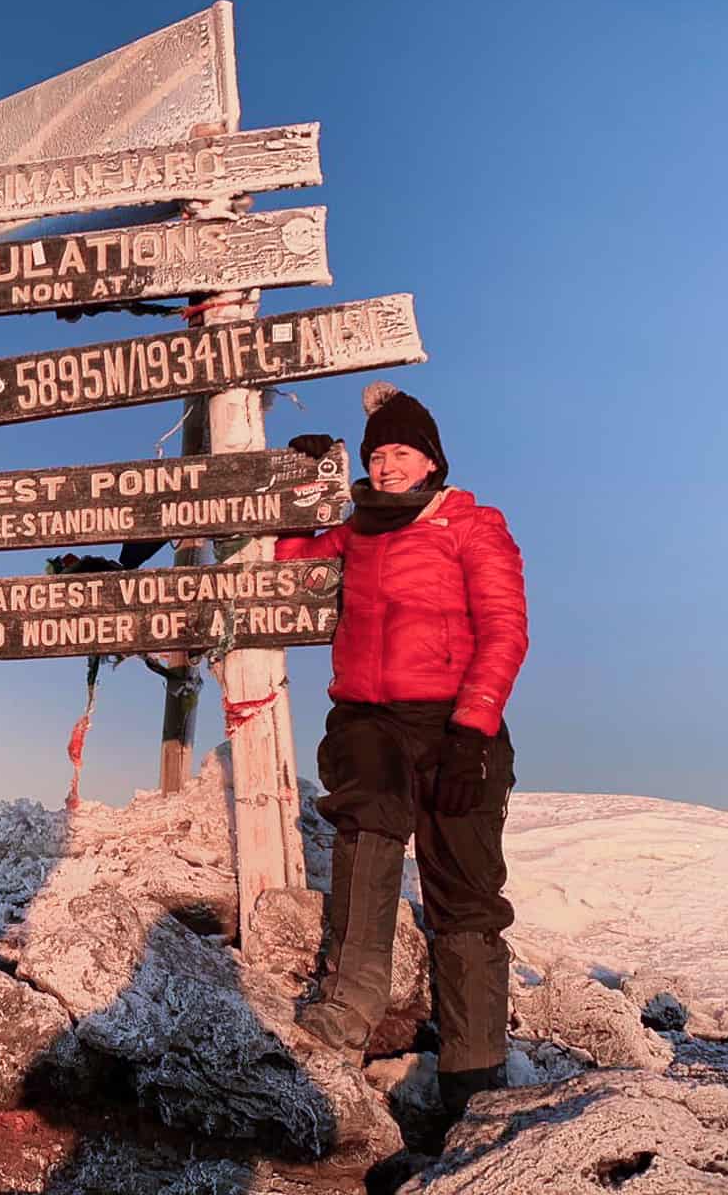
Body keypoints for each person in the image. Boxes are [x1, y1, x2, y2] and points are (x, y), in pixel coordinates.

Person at [277, 380, 527, 1120]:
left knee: (465, 893)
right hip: (369, 717)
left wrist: (472, 730)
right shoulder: (356, 531)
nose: (385, 467)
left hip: (456, 725)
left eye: (401, 454)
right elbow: (294, 569)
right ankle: (350, 1006)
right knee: (369, 825)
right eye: (377, 454)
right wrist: (298, 487)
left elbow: (506, 628)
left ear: (430, 462)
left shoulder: (473, 527)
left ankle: (474, 1079)